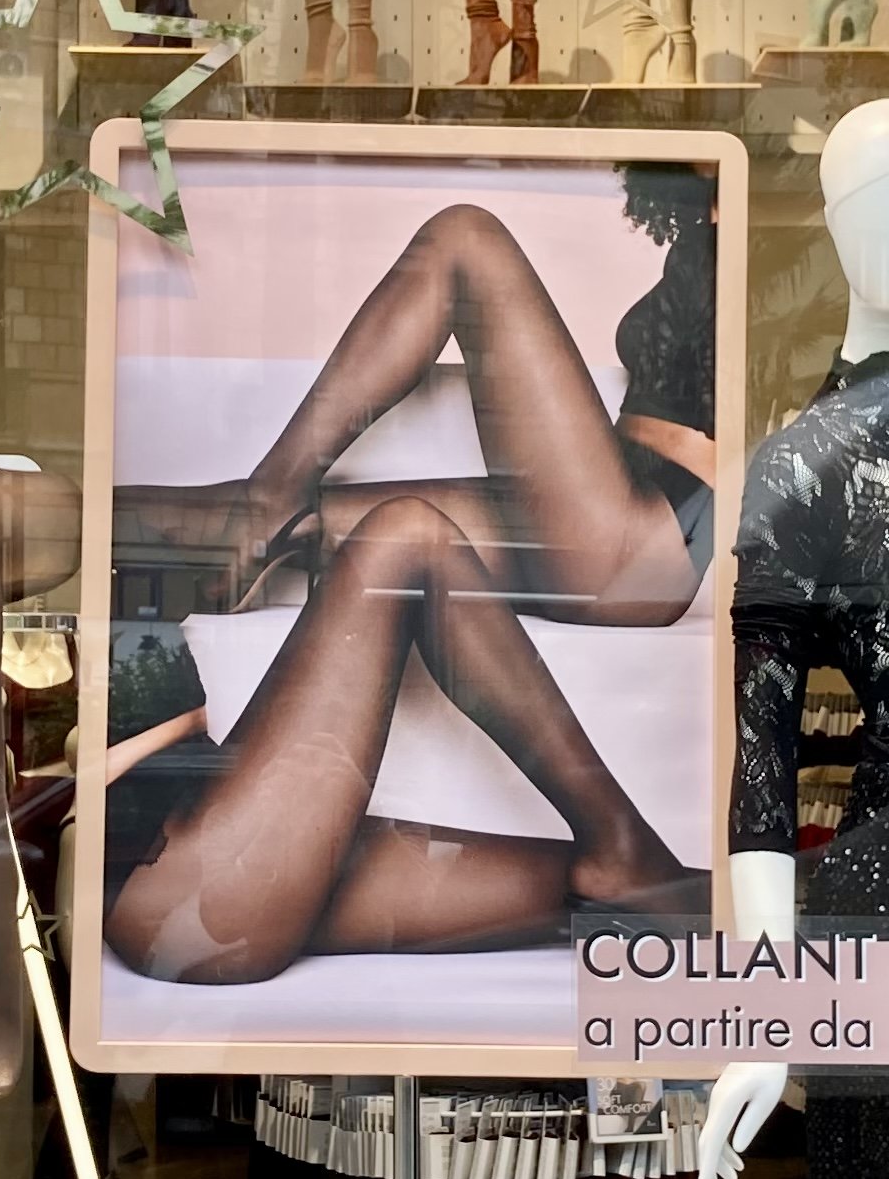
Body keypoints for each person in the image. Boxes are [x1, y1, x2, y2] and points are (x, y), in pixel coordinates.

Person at [105, 178, 716, 983]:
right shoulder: (719, 232)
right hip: (186, 873)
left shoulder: (753, 243)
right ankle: (625, 847)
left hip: (209, 849)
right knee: (385, 532)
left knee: (630, 892)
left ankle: (255, 509)